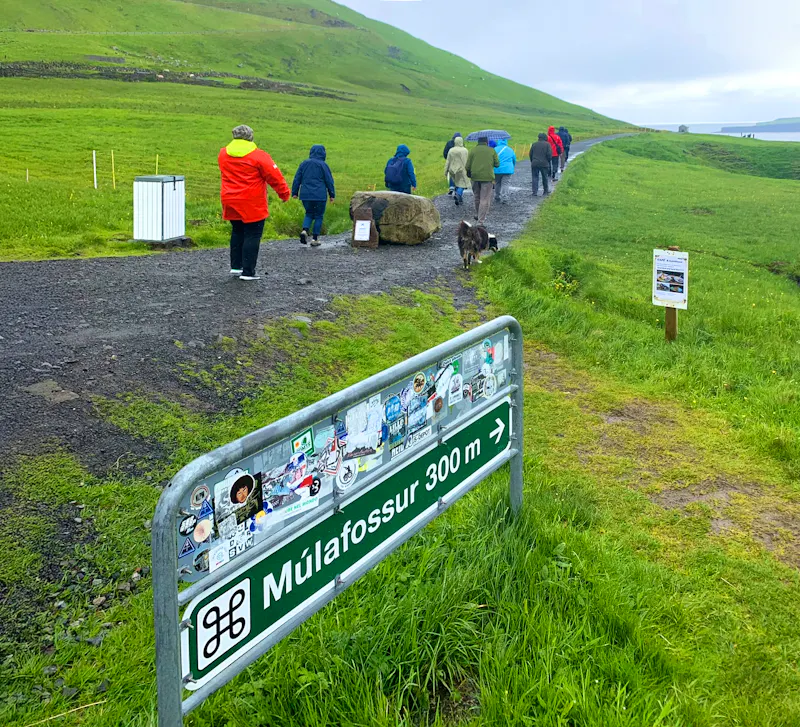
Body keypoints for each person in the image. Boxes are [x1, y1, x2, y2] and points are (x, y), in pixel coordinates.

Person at [218, 124, 290, 281]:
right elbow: (274, 176)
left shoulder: (223, 154)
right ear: (251, 137)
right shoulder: (259, 156)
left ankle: (236, 267)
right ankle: (248, 272)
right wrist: (284, 194)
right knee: (253, 234)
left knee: (237, 231)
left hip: (229, 198)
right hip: (252, 201)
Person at [291, 144, 336, 248]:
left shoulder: (304, 164)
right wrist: (332, 194)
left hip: (305, 194)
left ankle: (305, 230)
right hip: (319, 195)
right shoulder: (323, 165)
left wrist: (294, 192)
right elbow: (329, 181)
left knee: (309, 213)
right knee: (319, 216)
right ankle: (315, 239)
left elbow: (297, 178)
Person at [466, 136, 499, 225]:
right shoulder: (491, 150)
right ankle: (480, 221)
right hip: (487, 178)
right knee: (484, 199)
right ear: (487, 141)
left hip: (475, 177)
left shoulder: (473, 150)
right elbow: (497, 164)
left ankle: (478, 214)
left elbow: (467, 166)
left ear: (478, 141)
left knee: (477, 197)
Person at [444, 136, 469, 206]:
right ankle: (458, 194)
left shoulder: (451, 150)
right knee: (463, 184)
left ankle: (459, 198)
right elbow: (467, 161)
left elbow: (448, 161)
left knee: (456, 183)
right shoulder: (465, 150)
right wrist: (468, 169)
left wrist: (445, 171)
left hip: (452, 170)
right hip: (461, 170)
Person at [493, 139, 517, 204]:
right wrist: (512, 166)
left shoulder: (495, 149)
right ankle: (505, 197)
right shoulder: (510, 150)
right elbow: (514, 159)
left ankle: (497, 196)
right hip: (508, 169)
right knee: (505, 183)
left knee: (497, 182)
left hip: (497, 169)